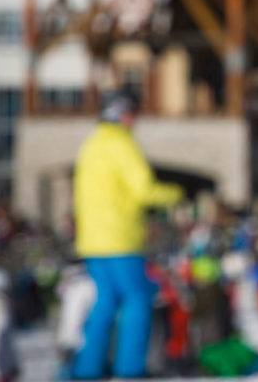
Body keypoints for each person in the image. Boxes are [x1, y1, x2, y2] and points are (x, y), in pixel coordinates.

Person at [70, 88, 183, 380]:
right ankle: (130, 369)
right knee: (138, 298)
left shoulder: (91, 144)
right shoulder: (122, 144)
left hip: (92, 241)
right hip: (121, 239)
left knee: (105, 302)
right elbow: (144, 190)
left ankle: (87, 369)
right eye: (134, 112)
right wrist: (177, 193)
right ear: (124, 113)